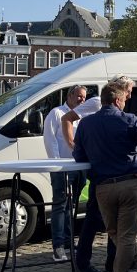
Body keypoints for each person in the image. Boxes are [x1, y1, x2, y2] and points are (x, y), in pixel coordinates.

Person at [72, 83, 137, 272]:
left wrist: (94, 162)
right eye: (124, 101)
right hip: (130, 183)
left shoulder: (86, 124)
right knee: (124, 237)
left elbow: (78, 155)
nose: (124, 104)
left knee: (115, 232)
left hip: (102, 187)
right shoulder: (129, 119)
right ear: (116, 101)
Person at [62, 76, 134, 272]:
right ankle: (84, 264)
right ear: (119, 91)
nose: (130, 96)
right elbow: (66, 119)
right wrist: (73, 147)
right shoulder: (96, 103)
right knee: (94, 220)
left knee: (110, 220)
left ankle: (112, 262)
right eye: (128, 92)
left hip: (109, 171)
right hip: (101, 174)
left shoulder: (117, 107)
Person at [42, 85, 87, 262]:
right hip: (62, 167)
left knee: (71, 205)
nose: (81, 100)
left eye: (84, 97)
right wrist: (57, 164)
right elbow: (50, 140)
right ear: (70, 96)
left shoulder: (83, 115)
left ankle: (69, 241)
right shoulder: (56, 113)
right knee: (60, 205)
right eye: (79, 96)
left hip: (79, 166)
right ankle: (58, 246)